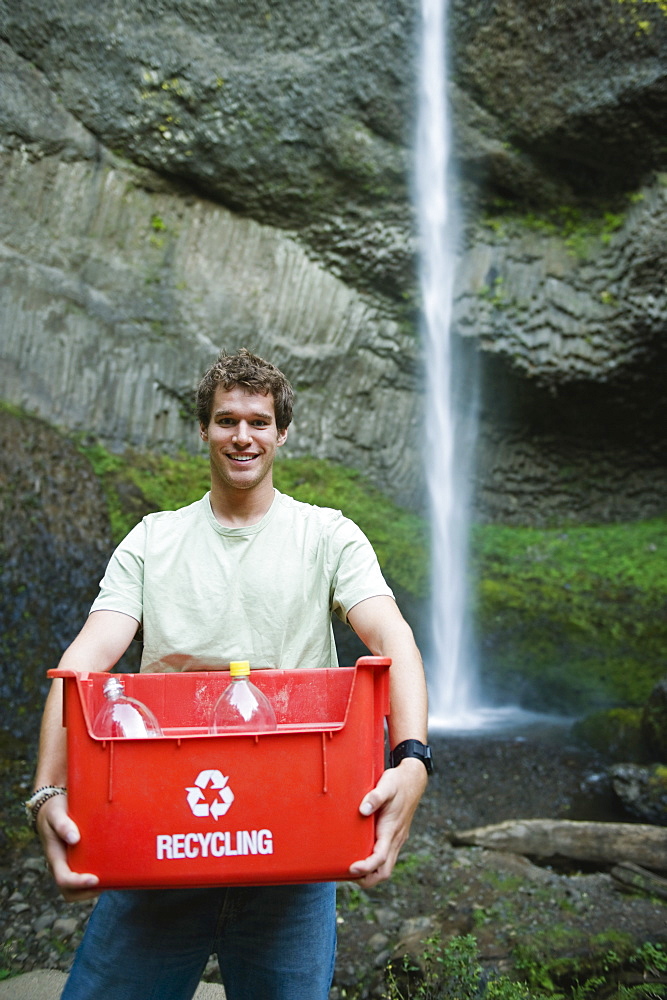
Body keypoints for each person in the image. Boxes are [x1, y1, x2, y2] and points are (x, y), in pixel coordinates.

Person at [27, 348, 431, 1000]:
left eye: (258, 422)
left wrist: (411, 761)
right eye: (225, 420)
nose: (242, 436)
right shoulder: (151, 541)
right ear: (203, 430)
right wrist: (46, 794)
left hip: (296, 845)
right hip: (160, 837)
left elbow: (394, 640)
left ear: (281, 433)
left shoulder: (328, 537)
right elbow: (80, 666)